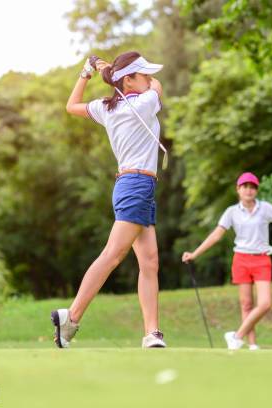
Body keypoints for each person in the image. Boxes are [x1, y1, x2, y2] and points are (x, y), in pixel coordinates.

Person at [51, 51, 167, 348]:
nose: (149, 78)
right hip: (137, 184)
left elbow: (71, 106)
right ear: (129, 80)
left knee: (149, 262)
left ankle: (151, 332)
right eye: (141, 74)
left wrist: (88, 72)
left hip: (133, 185)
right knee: (113, 255)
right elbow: (157, 85)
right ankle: (72, 317)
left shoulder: (105, 107)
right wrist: (111, 71)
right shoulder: (145, 101)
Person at [182, 172, 272, 350]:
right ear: (238, 190)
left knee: (265, 303)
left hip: (261, 260)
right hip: (241, 259)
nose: (249, 190)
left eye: (252, 187)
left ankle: (236, 336)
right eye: (245, 187)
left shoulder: (264, 208)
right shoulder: (232, 212)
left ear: (256, 190)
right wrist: (195, 254)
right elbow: (216, 236)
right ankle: (252, 345)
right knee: (246, 304)